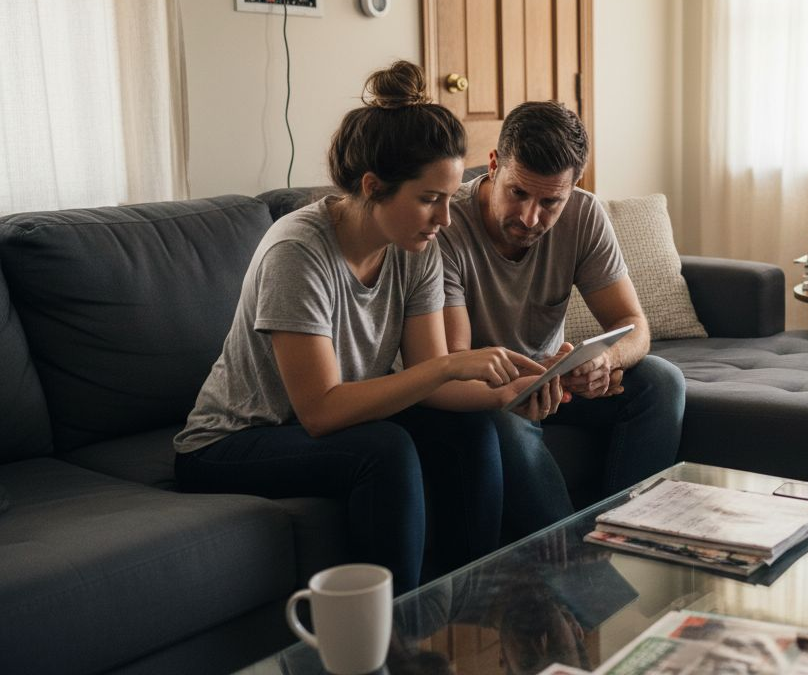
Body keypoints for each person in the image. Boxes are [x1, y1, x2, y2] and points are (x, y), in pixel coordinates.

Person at [173, 61, 558, 595]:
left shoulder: (417, 247)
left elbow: (428, 379)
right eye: (429, 199)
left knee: (473, 431)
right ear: (374, 187)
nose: (445, 218)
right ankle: (394, 637)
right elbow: (322, 411)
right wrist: (451, 365)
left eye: (450, 198)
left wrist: (511, 392)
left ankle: (468, 611)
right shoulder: (297, 252)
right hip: (233, 441)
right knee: (386, 449)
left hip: (321, 426)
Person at [437, 101, 686, 537]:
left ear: (574, 188)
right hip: (484, 395)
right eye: (518, 193)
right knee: (504, 423)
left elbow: (633, 324)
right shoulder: (447, 228)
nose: (530, 217)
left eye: (550, 201)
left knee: (661, 383)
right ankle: (572, 562)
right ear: (494, 165)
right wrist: (514, 387)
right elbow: (453, 363)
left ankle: (630, 538)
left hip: (554, 382)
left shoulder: (584, 215)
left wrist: (603, 362)